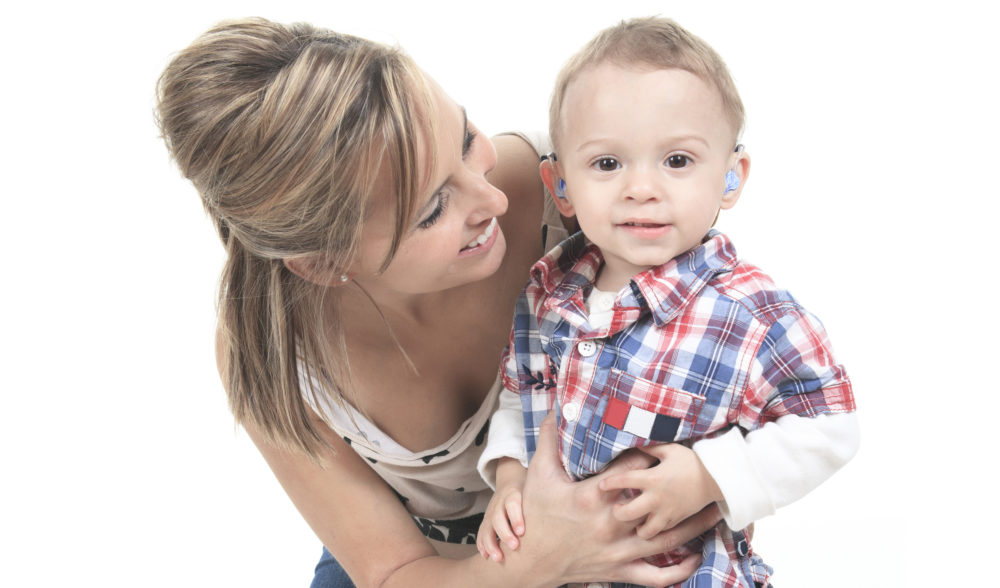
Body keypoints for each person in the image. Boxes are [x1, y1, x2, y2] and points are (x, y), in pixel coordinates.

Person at [155, 17, 734, 588]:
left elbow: (719, 356)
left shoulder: (577, 182)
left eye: (465, 141)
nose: (493, 200)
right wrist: (542, 560)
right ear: (326, 263)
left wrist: (712, 477)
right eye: (433, 209)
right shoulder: (270, 351)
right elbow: (391, 571)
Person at [476, 17, 859, 588]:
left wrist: (711, 474)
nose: (642, 189)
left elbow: (830, 426)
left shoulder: (750, 312)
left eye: (677, 160)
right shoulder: (547, 293)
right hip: (563, 566)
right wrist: (510, 478)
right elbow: (522, 391)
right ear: (561, 186)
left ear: (730, 177)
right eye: (608, 164)